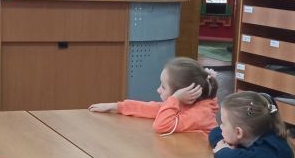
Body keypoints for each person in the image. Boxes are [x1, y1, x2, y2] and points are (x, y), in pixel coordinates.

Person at [88, 57, 218, 135]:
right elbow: (151, 108)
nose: (158, 90)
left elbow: (162, 125)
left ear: (183, 93)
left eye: (163, 87)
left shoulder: (201, 114)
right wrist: (117, 106)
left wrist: (174, 99)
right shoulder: (186, 103)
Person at [209, 91, 295, 158]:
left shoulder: (271, 149)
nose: (221, 127)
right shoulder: (253, 133)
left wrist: (221, 150)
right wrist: (223, 144)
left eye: (223, 123)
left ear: (239, 132)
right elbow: (214, 133)